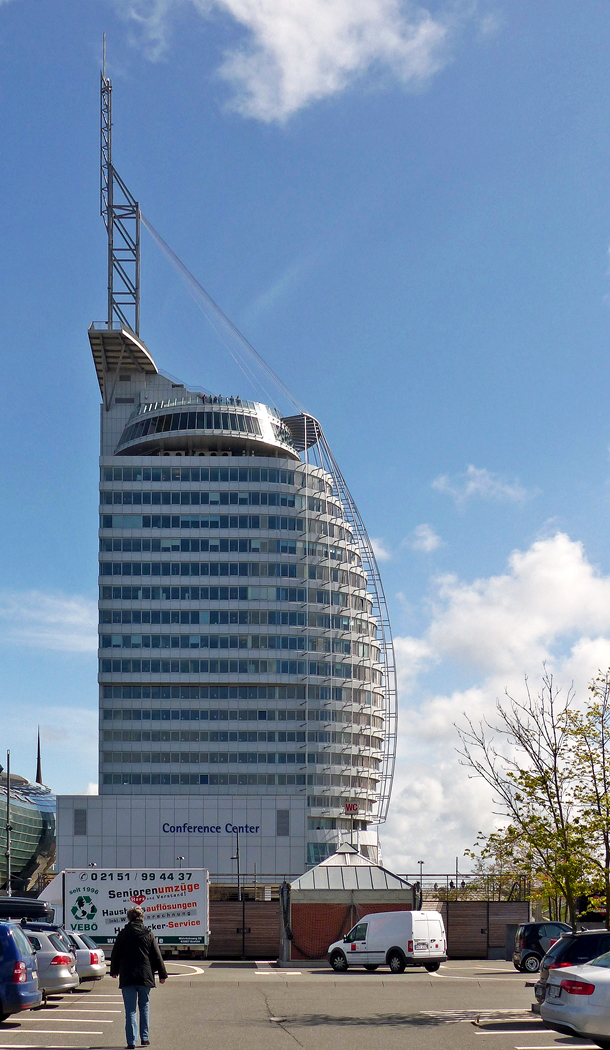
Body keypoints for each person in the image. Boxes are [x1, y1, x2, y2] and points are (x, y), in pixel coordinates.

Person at [110, 906, 168, 1049]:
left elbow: (115, 953)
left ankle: (131, 1042)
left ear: (129, 918)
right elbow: (156, 955)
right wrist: (162, 974)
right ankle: (145, 1038)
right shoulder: (148, 933)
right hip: (145, 975)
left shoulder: (123, 934)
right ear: (142, 918)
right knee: (144, 1007)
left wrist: (114, 970)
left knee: (130, 1010)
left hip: (128, 976)